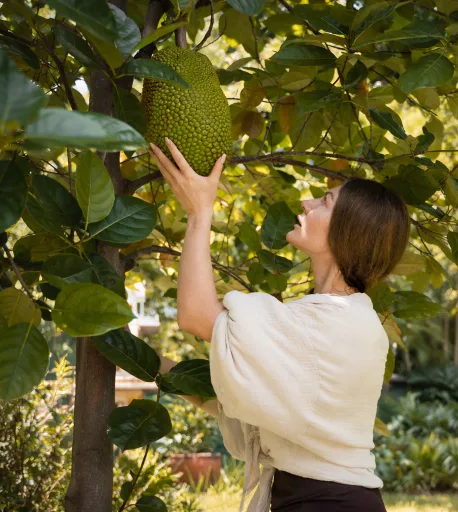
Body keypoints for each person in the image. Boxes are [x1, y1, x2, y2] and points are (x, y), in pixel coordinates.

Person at [148, 138, 410, 512]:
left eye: (325, 202)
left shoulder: (333, 324)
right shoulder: (342, 320)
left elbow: (197, 315)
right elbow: (234, 399)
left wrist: (199, 212)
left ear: (349, 231)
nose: (306, 203)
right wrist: (145, 360)